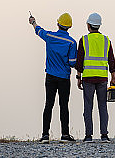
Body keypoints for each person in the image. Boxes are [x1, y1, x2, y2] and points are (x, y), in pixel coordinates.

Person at [29, 12, 77, 143]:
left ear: (58, 24)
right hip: (64, 78)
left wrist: (33, 22)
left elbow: (38, 30)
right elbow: (73, 62)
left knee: (48, 104)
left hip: (50, 76)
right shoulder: (72, 42)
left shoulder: (49, 36)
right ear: (69, 27)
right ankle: (65, 135)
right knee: (64, 105)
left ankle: (45, 135)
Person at [76, 12, 115, 142]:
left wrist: (78, 78)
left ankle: (88, 136)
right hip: (102, 78)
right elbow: (112, 60)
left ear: (88, 25)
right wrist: (113, 78)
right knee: (103, 106)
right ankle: (104, 135)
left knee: (88, 107)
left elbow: (79, 61)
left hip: (88, 78)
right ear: (99, 25)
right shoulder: (106, 40)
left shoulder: (84, 40)